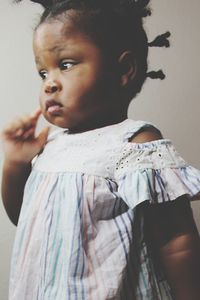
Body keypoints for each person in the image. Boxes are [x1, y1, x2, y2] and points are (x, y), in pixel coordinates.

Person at [1, 0, 200, 299]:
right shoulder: (52, 145)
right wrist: (15, 164)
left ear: (124, 69)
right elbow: (25, 219)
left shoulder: (136, 145)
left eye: (65, 65)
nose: (49, 84)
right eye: (43, 73)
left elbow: (176, 243)